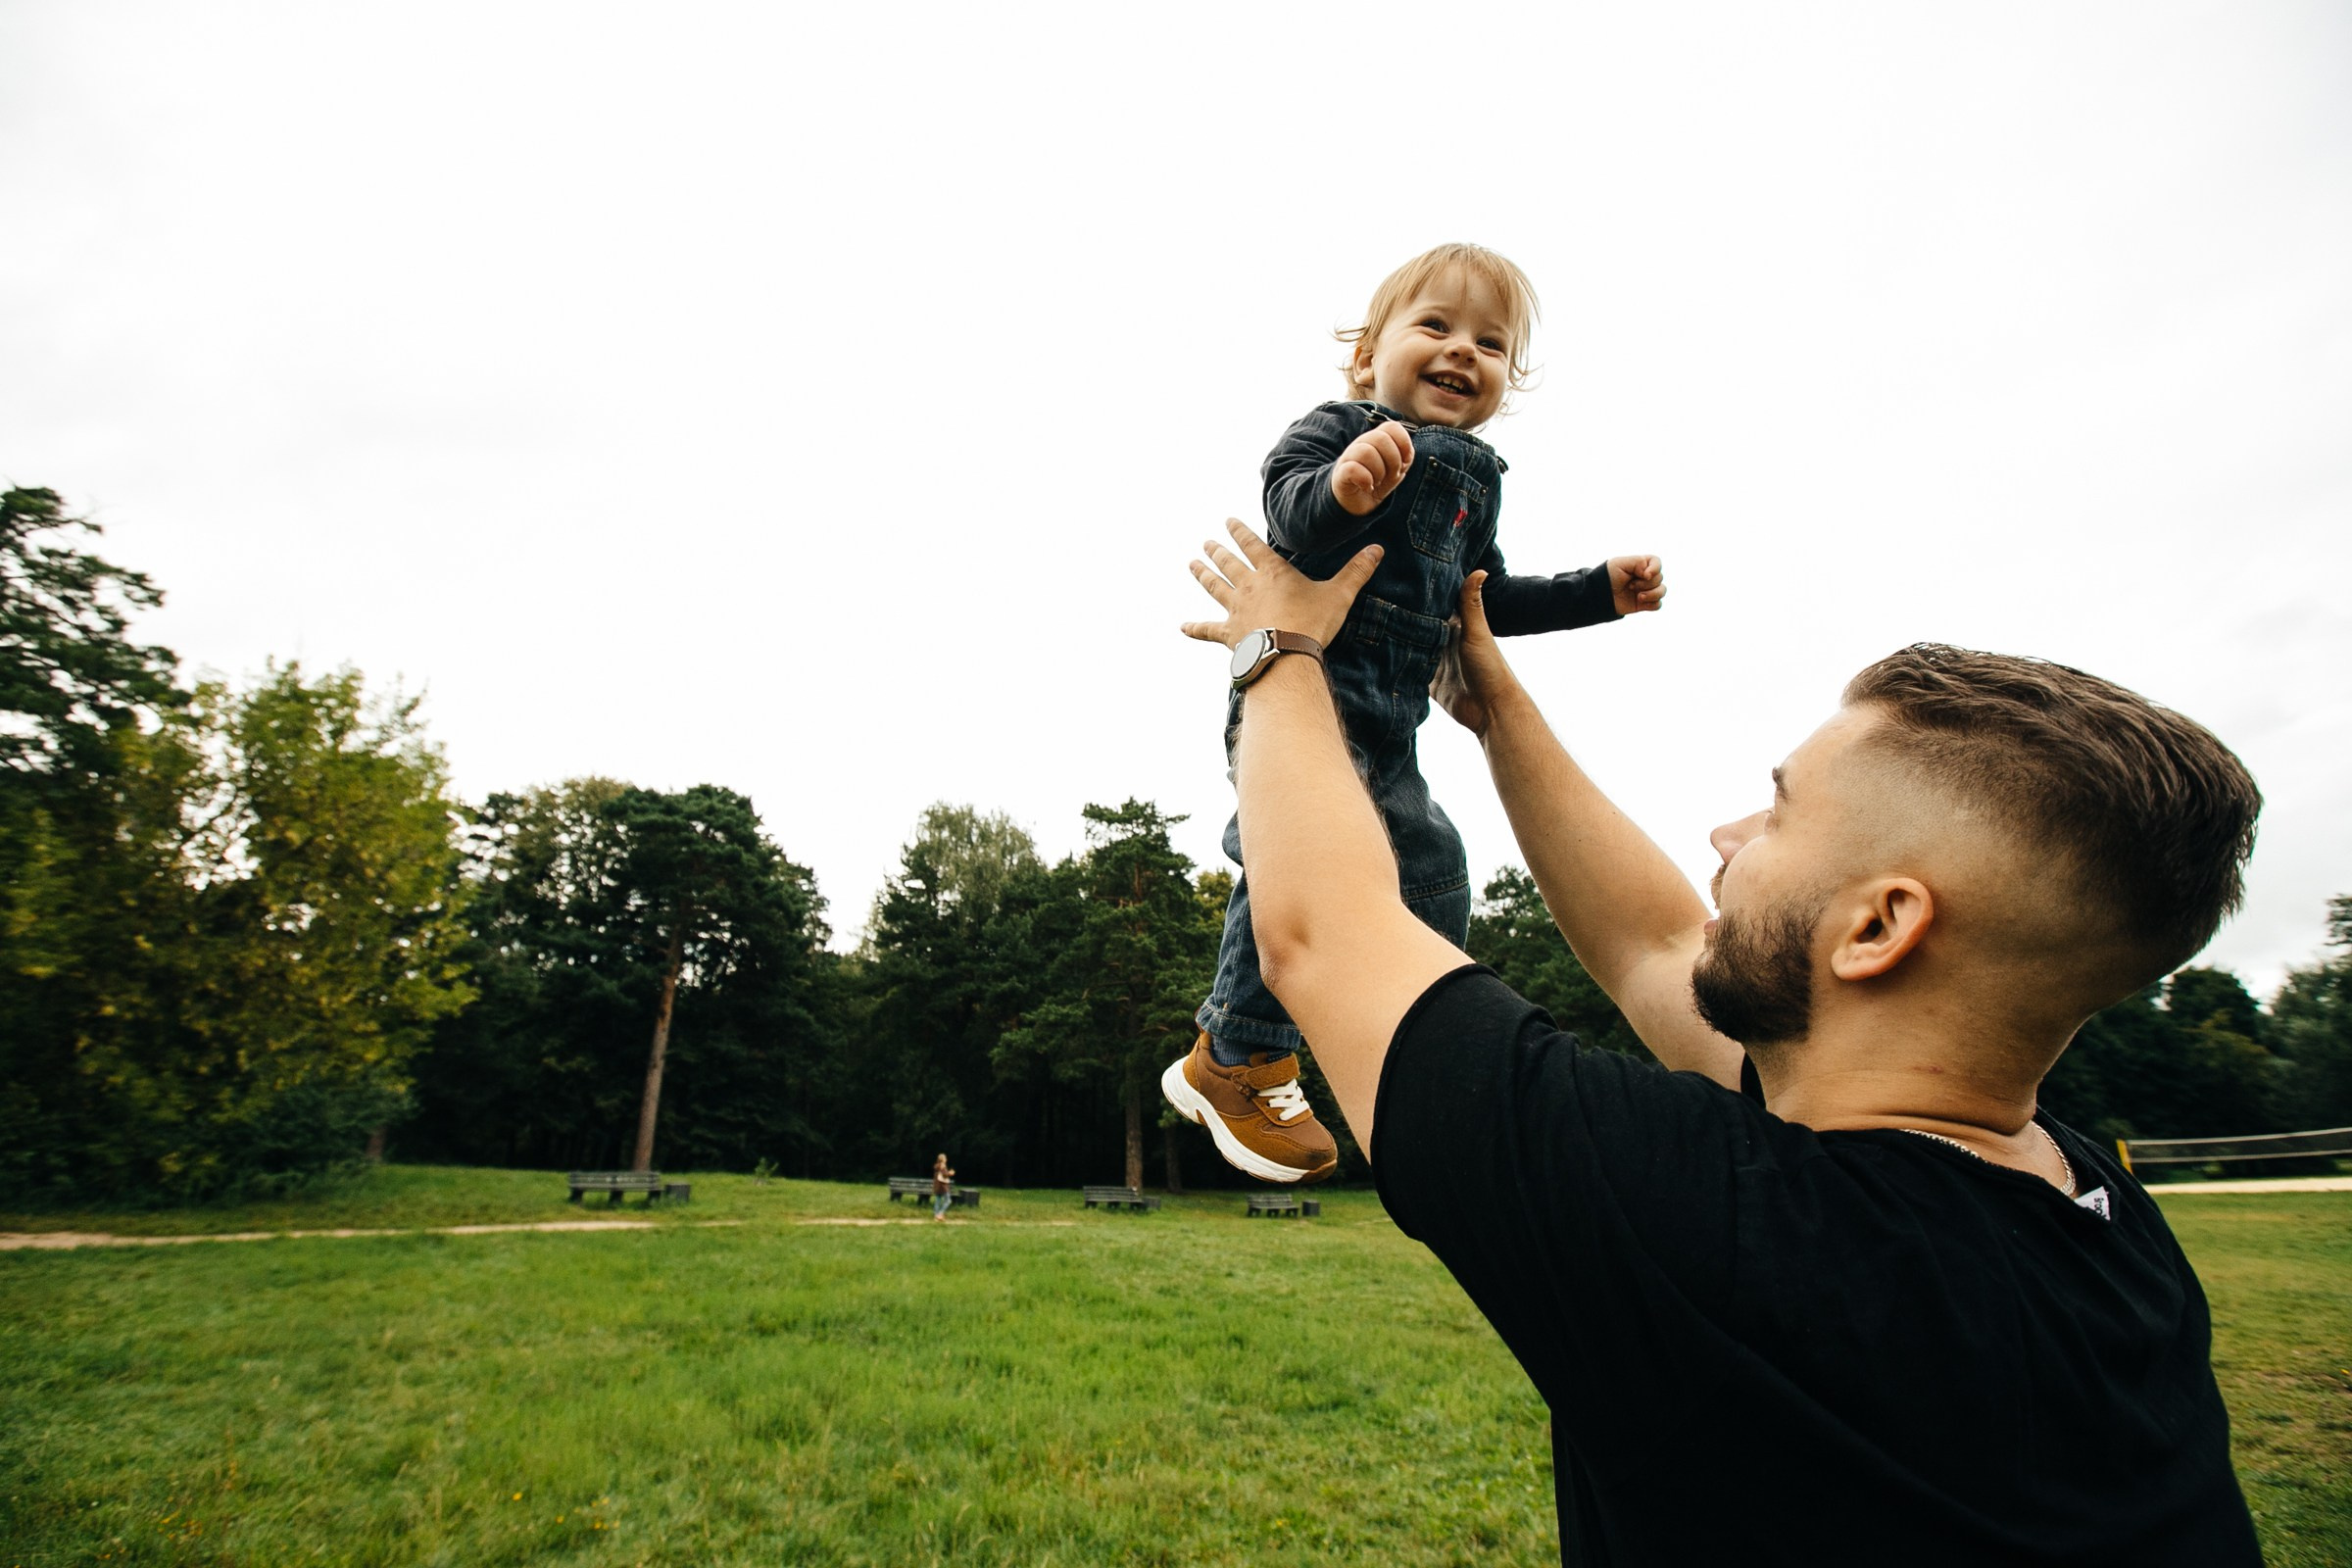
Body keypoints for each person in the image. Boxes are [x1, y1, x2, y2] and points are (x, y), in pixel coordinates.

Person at [1172, 518, 2263, 1566]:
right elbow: (1656, 945)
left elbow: (1322, 932)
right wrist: (1490, 700)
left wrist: (1278, 644)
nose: (1727, 838)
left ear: (1879, 927)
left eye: (1778, 815)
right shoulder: (2105, 1229)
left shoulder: (1705, 1228)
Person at [1163, 243, 1668, 1186]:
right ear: (1368, 358)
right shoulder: (1343, 428)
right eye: (1435, 327)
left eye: (1490, 344)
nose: (1462, 352)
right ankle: (1234, 1056)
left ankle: (1400, 1029)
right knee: (1294, 857)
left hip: (1394, 722)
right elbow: (1287, 508)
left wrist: (1596, 592)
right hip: (1305, 688)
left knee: (1434, 877)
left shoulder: (1480, 481)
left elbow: (1490, 597)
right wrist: (1344, 487)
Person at [929, 1152, 955, 1223]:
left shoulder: (937, 1166)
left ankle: (936, 1216)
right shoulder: (943, 1165)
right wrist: (950, 1173)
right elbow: (945, 1175)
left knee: (938, 1201)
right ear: (943, 1159)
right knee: (948, 1201)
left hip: (937, 1186)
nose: (946, 1159)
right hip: (943, 1187)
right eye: (945, 1158)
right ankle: (940, 1214)